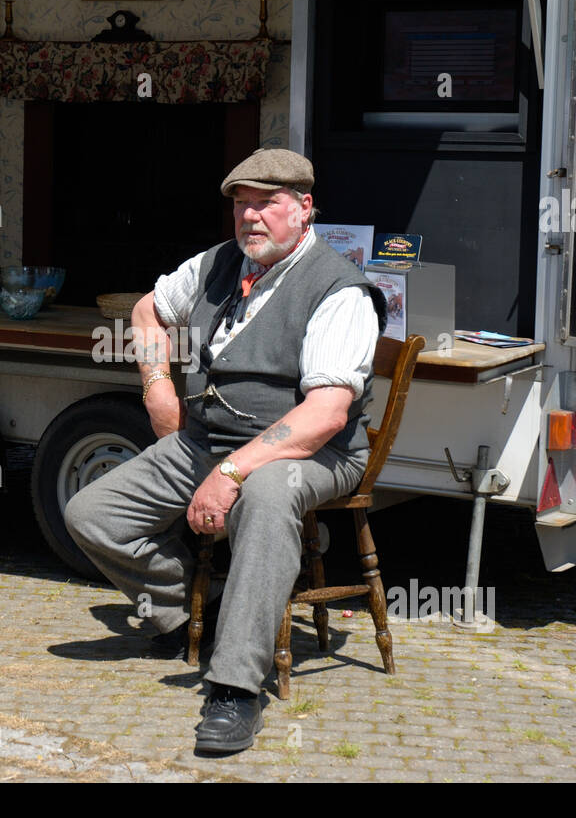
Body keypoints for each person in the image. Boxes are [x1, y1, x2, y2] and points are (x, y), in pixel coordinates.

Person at [64, 148, 385, 756]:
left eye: (267, 204)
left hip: (310, 453)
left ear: (305, 209)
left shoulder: (337, 289)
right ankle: (189, 609)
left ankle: (237, 687)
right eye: (242, 205)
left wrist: (233, 472)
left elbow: (325, 415)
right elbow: (146, 312)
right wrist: (158, 388)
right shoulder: (217, 264)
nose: (251, 218)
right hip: (207, 438)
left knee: (264, 497)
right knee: (90, 514)